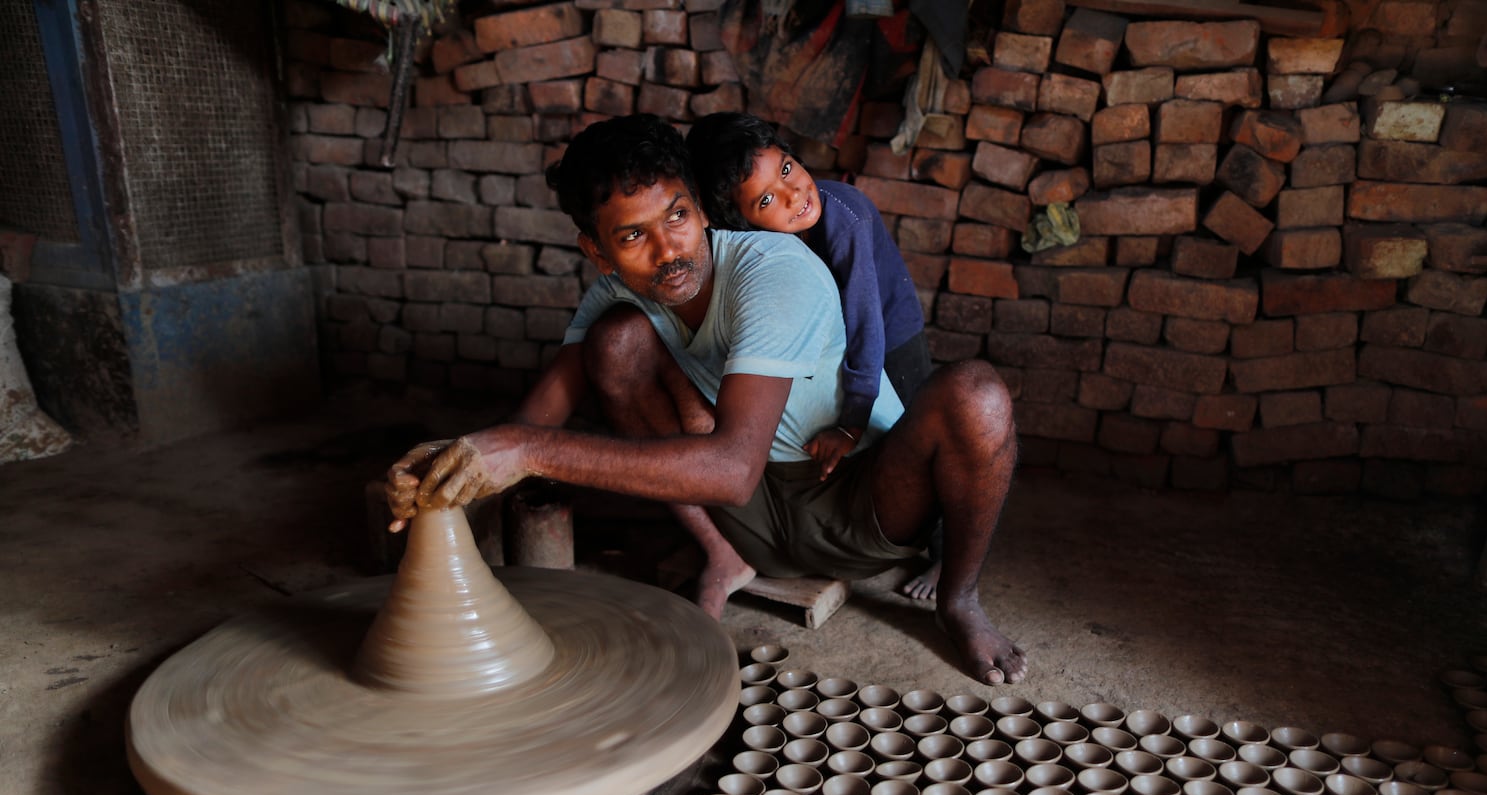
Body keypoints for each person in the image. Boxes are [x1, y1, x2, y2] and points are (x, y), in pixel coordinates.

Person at [383, 114, 1026, 686]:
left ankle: (960, 599)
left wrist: (525, 451)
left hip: (866, 503)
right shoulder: (615, 294)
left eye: (678, 216)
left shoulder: (774, 271)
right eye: (632, 237)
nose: (669, 251)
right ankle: (723, 556)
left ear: (704, 210)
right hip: (743, 516)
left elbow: (725, 467)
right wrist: (450, 471)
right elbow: (532, 421)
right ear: (597, 252)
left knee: (978, 394)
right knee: (617, 342)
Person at [686, 112, 943, 600]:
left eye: (786, 169)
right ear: (738, 223)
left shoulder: (841, 216)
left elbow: (866, 323)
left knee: (919, 435)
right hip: (842, 331)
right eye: (766, 200)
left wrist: (850, 423)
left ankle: (944, 556)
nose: (792, 194)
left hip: (891, 329)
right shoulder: (755, 247)